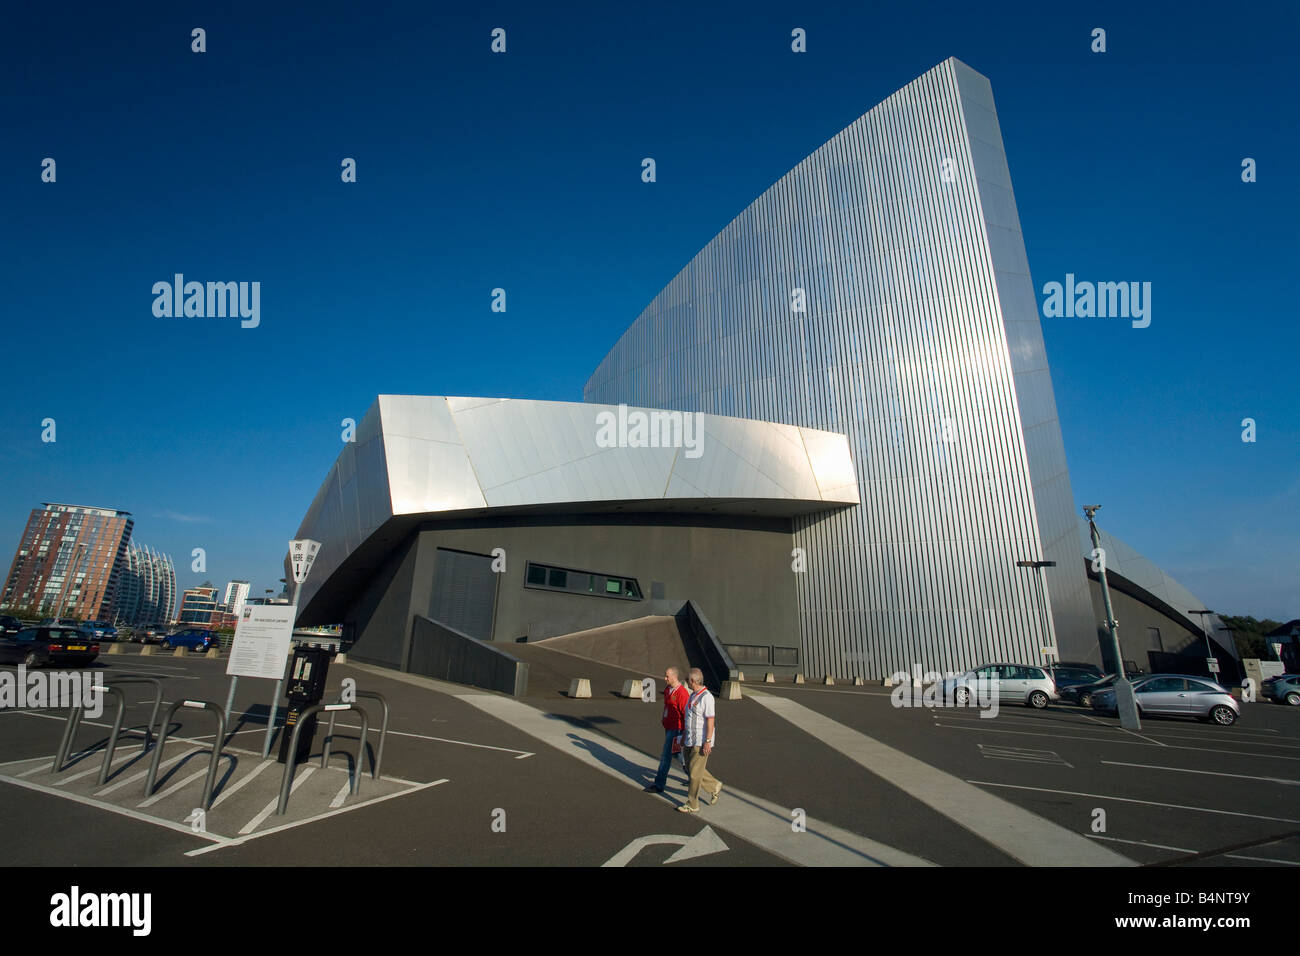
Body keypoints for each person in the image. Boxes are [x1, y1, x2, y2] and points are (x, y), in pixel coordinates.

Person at [677, 668, 722, 812]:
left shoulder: (706, 697)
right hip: (690, 738)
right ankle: (714, 785)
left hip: (700, 740)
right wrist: (684, 735)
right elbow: (688, 718)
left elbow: (710, 720)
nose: (686, 682)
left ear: (692, 681)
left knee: (695, 773)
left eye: (687, 680)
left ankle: (692, 804)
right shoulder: (693, 696)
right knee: (691, 769)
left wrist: (707, 741)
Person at [646, 666, 689, 793]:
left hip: (676, 728)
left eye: (667, 676)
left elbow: (686, 714)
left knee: (666, 755)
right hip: (669, 726)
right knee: (677, 754)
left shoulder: (682, 693)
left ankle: (659, 784)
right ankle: (694, 775)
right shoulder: (668, 690)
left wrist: (685, 731)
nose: (665, 678)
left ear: (675, 677)